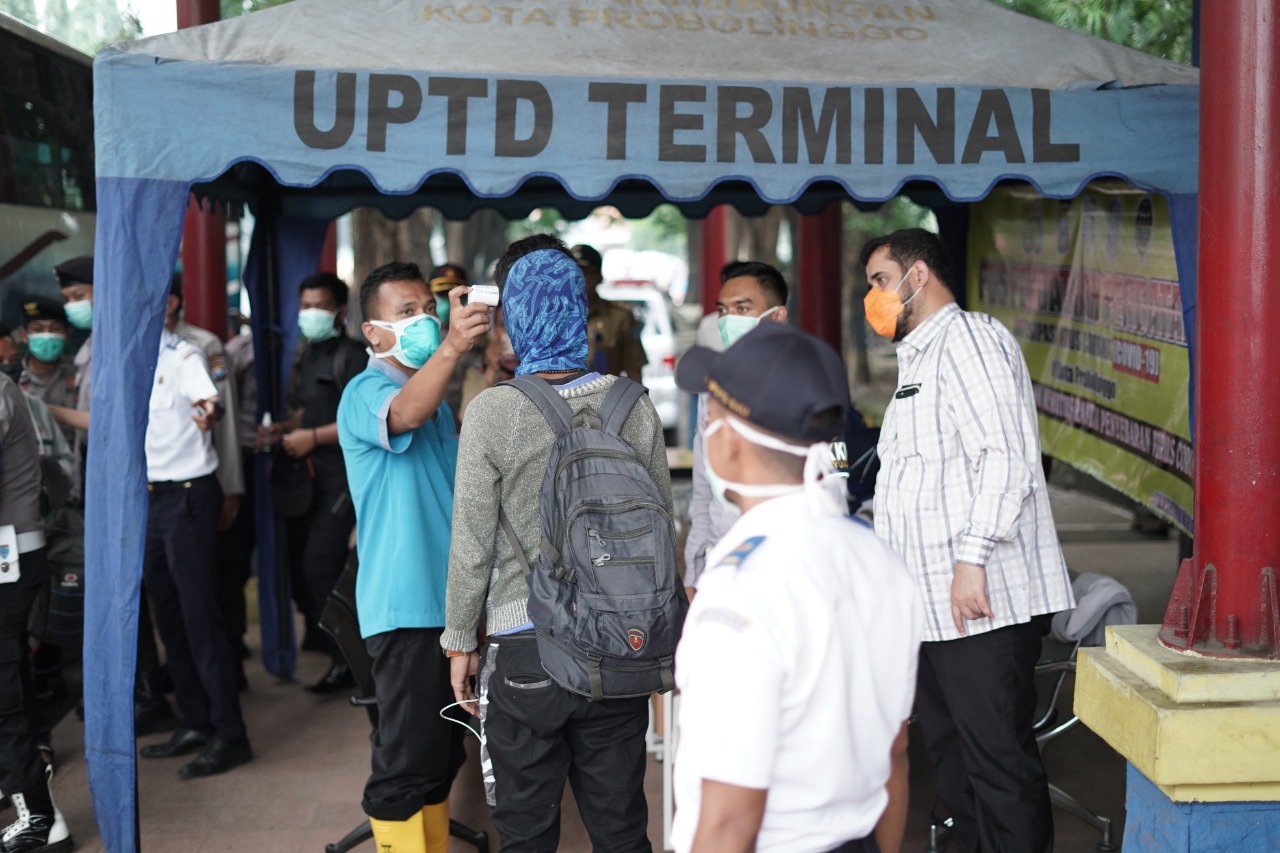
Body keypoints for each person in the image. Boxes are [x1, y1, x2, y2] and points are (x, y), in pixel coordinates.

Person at [444, 235, 670, 853]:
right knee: (621, 828)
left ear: (514, 317)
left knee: (525, 831)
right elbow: (660, 534)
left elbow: (471, 544)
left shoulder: (493, 411)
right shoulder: (633, 404)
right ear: (579, 308)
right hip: (618, 645)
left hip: (524, 648)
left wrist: (460, 641)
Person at [861, 228, 1075, 853]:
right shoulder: (917, 362)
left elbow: (1004, 458)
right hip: (930, 609)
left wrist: (971, 559)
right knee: (954, 767)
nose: (872, 297)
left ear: (917, 275)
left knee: (998, 766)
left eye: (879, 280)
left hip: (980, 603)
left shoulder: (969, 340)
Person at [670, 322, 921, 853]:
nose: (706, 427)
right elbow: (894, 756)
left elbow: (729, 822)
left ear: (732, 445)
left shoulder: (740, 592)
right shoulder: (880, 560)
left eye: (710, 418)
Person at [336, 261, 489, 852]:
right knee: (404, 764)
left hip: (446, 604)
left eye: (429, 308)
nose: (424, 319)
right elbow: (405, 413)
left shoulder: (439, 403)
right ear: (373, 332)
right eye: (407, 312)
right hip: (404, 608)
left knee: (440, 752)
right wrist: (452, 344)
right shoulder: (366, 392)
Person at [137, 319, 252, 779]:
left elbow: (211, 402)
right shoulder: (130, 359)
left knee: (199, 617)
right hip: (150, 498)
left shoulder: (183, 356)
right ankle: (196, 721)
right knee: (168, 616)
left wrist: (209, 412)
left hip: (188, 495)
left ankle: (231, 734)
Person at [265, 273, 367, 692]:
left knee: (319, 565)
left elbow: (361, 422)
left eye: (319, 306)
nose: (310, 314)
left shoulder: (353, 356)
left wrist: (310, 438)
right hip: (308, 480)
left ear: (341, 311)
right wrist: (282, 430)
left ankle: (356, 660)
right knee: (308, 568)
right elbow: (309, 413)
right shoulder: (306, 356)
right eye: (305, 305)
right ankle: (343, 656)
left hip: (343, 478)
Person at [683, 261, 789, 598]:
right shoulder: (713, 389)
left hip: (783, 564)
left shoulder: (803, 387)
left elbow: (830, 485)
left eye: (743, 308)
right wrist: (694, 572)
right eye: (723, 310)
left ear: (777, 315)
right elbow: (703, 487)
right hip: (722, 563)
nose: (730, 320)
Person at [0, 371, 71, 851]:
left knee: (3, 692)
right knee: (10, 682)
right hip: (11, 555)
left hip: (8, 557)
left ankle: (39, 818)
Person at [572, 243, 647, 380]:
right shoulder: (551, 317)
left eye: (585, 272)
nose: (577, 279)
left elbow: (634, 370)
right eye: (572, 272)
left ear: (598, 277)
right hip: (561, 399)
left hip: (607, 398)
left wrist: (638, 401)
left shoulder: (620, 317)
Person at [428, 262, 485, 424]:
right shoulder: (422, 337)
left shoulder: (479, 337)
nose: (450, 301)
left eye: (458, 296)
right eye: (442, 294)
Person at [17, 297, 78, 446]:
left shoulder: (80, 371)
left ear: (68, 333)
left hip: (79, 457)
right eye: (38, 329)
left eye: (55, 329)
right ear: (23, 335)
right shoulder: (13, 377)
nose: (47, 335)